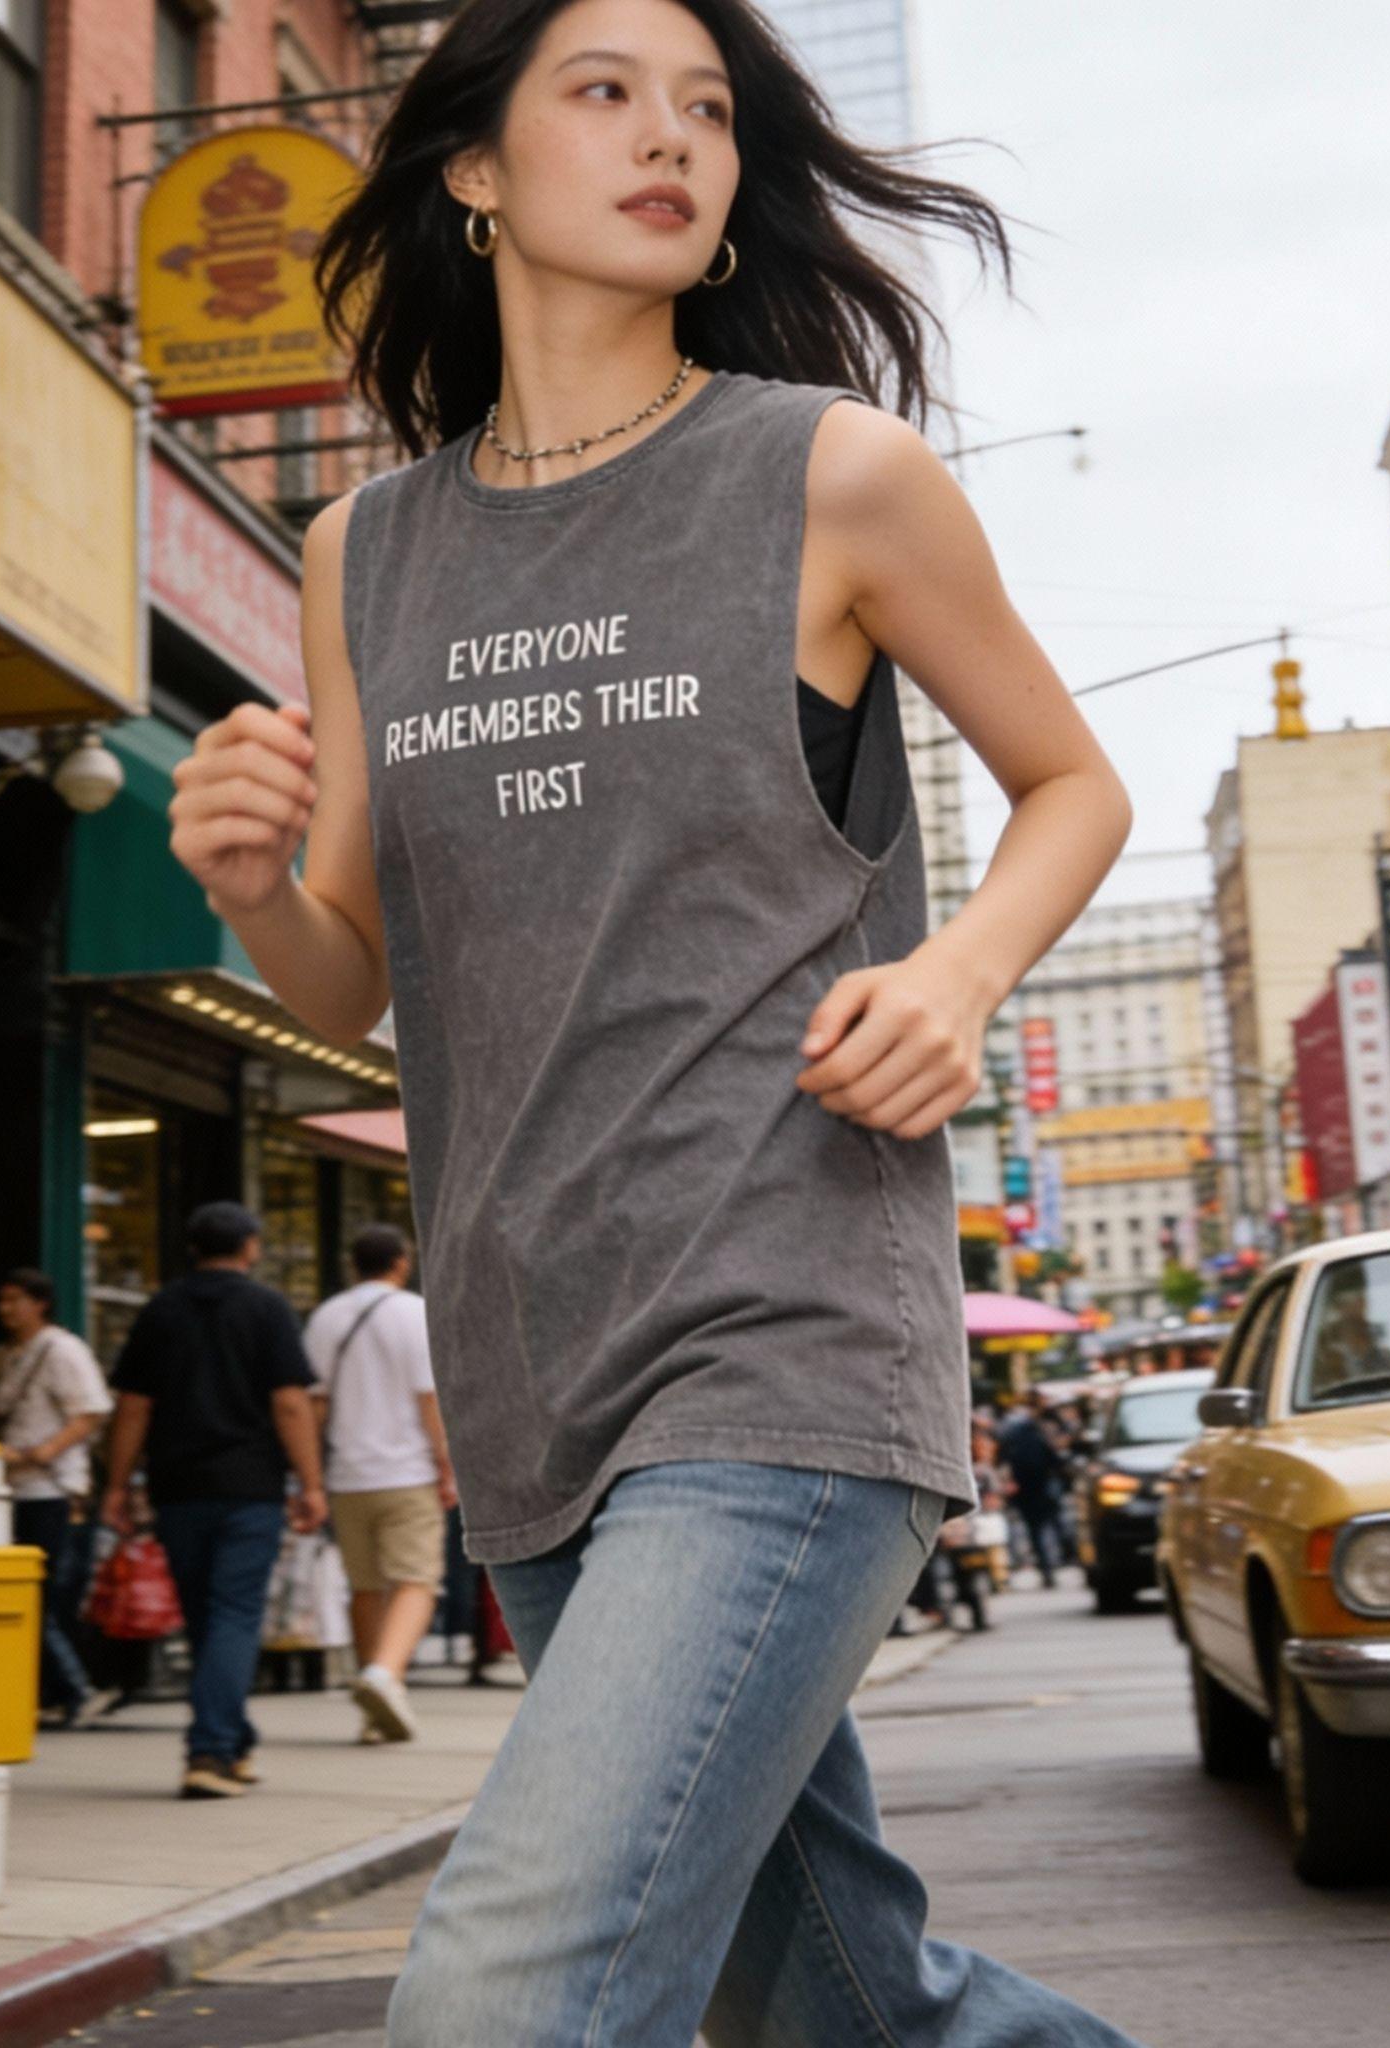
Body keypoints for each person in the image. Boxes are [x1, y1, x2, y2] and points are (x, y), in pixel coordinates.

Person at [164, 3, 1141, 2040]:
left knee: (500, 1999)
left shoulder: (829, 477)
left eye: (704, 107)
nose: (669, 136)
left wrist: (952, 975)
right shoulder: (367, 551)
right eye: (603, 93)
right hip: (533, 1368)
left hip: (783, 1330)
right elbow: (356, 977)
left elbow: (1074, 784)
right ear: (472, 170)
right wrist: (254, 891)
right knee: (848, 2005)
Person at [100, 1201, 328, 1799]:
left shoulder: (161, 1309)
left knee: (207, 1618)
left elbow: (132, 1407)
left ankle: (235, 1737)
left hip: (177, 1490)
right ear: (250, 1246)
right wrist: (311, 1483)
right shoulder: (267, 1307)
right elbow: (290, 1402)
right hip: (249, 1489)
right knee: (233, 1615)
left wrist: (117, 1486)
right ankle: (212, 1751)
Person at [302, 1223, 456, 1745]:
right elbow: (428, 1397)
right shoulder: (413, 1314)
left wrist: (310, 1479)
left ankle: (376, 1708)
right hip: (406, 1471)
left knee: (365, 1586)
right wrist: (447, 1465)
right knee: (416, 1580)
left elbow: (314, 1406)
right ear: (401, 1262)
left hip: (347, 1476)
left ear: (353, 1265)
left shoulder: (326, 1317)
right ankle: (384, 1675)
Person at [0, 1269, 114, 1729]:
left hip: (50, 1486)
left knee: (38, 1597)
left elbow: (90, 1412)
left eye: (16, 1300)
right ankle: (39, 1693)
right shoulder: (4, 1356)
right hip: (8, 1484)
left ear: (40, 1303)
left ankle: (74, 1689)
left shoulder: (62, 1350)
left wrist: (45, 1451)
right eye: (3, 1300)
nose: (7, 1310)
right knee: (17, 1594)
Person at [996, 1393, 1070, 1589]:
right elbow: (1054, 1459)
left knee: (1036, 1530)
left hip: (1026, 1489)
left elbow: (1004, 1459)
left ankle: (1047, 1568)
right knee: (1053, 1524)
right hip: (1041, 1486)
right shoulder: (1038, 1431)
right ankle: (1057, 1561)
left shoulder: (1013, 1432)